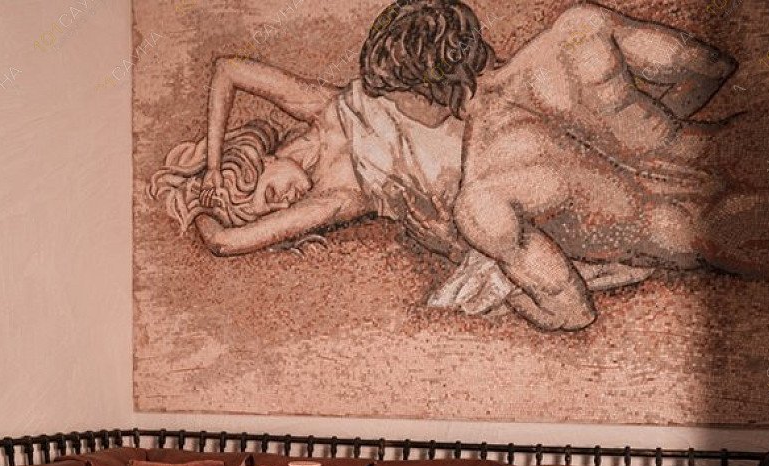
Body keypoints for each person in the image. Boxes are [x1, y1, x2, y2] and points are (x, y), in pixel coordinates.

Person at [359, 0, 769, 329]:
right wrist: (650, 135)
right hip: (757, 144)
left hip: (726, 231)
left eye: (394, 98)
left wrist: (490, 273)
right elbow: (712, 67)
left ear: (422, 92)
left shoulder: (482, 197)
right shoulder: (580, 30)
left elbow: (572, 312)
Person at [148, 53, 649, 322]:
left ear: (260, 158)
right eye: (267, 212)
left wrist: (212, 168)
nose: (281, 201)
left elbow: (228, 69)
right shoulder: (333, 199)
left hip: (493, 118)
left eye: (264, 191)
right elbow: (223, 242)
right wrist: (206, 209)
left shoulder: (323, 108)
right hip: (493, 182)